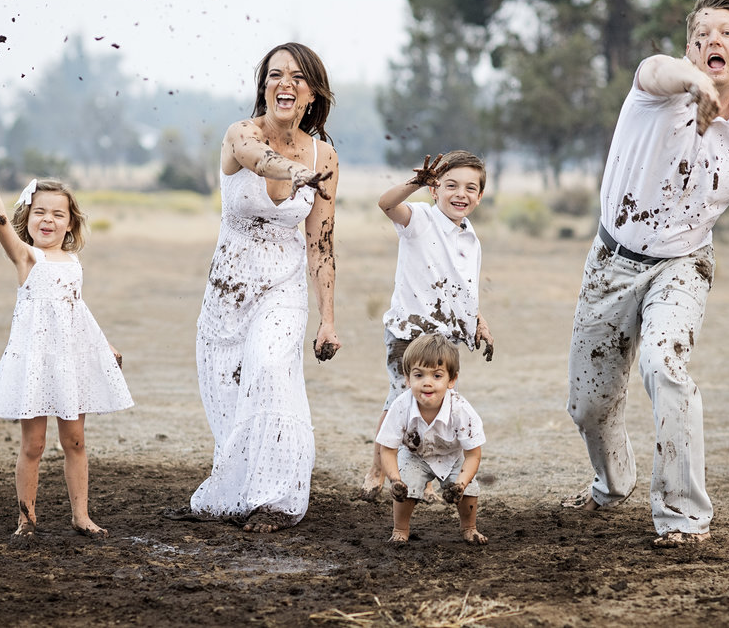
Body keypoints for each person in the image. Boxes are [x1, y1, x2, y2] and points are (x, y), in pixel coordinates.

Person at [563, 0, 729, 548]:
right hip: (613, 259)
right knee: (588, 406)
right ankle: (612, 481)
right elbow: (659, 69)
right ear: (689, 49)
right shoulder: (653, 88)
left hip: (684, 263)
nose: (713, 41)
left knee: (665, 365)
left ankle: (683, 517)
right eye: (701, 35)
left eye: (726, 34)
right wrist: (693, 84)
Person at [173, 42, 340, 533]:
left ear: (312, 93)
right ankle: (239, 489)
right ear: (263, 86)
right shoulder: (240, 134)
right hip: (229, 286)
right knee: (227, 392)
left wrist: (328, 318)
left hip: (283, 287)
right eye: (274, 75)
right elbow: (259, 159)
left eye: (296, 77)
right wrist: (296, 172)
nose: (284, 83)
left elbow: (322, 244)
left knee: (271, 369)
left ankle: (276, 500)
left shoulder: (324, 154)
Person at [0, 140, 133, 540]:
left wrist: (104, 347)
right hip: (35, 362)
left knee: (75, 441)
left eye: (58, 214)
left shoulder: (72, 262)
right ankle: (27, 519)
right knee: (33, 445)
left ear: (70, 222)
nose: (48, 220)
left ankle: (81, 516)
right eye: (40, 213)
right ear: (28, 217)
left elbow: (77, 310)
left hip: (70, 361)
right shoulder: (26, 258)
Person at [359, 151, 494, 502]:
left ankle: (427, 475)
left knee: (436, 404)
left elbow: (465, 287)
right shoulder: (419, 218)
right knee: (401, 400)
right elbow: (386, 204)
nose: (460, 194)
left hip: (446, 337)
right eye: (450, 185)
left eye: (470, 188)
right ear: (434, 189)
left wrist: (478, 321)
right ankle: (378, 469)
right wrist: (413, 184)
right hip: (409, 332)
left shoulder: (470, 237)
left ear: (480, 196)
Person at [376, 334, 487, 545]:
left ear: (452, 380)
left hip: (451, 457)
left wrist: (461, 484)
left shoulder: (461, 410)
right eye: (419, 375)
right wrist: (395, 480)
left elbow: (473, 454)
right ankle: (400, 529)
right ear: (407, 379)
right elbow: (387, 449)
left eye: (437, 376)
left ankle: (469, 528)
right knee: (404, 490)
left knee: (469, 490)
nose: (427, 383)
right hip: (414, 455)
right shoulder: (400, 406)